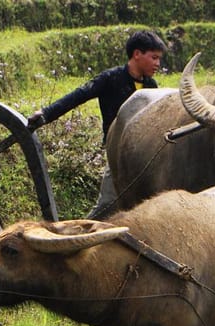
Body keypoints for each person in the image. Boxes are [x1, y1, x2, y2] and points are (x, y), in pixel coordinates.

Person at [26, 29, 166, 218]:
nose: (158, 63)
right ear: (137, 54)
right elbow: (79, 95)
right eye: (154, 57)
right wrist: (46, 113)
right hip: (118, 151)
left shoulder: (151, 87)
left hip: (143, 153)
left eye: (159, 59)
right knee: (109, 204)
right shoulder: (111, 79)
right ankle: (79, 239)